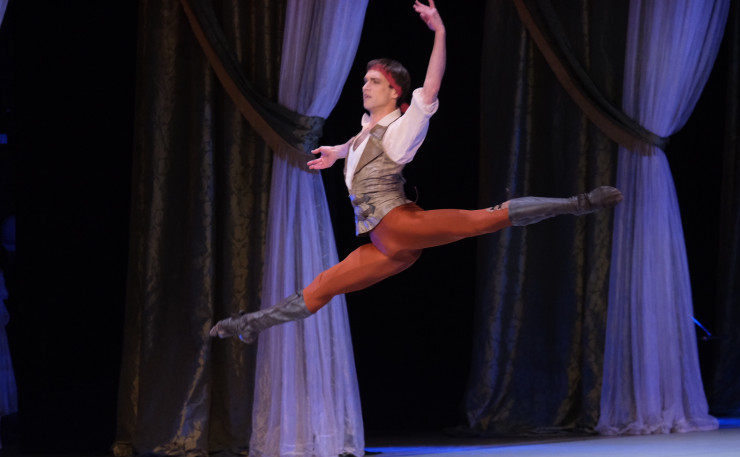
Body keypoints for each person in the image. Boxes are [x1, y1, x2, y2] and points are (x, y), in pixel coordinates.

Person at [210, 0, 622, 343]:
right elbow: (361, 144)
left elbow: (431, 87)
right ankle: (251, 324)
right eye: (365, 81)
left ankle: (579, 203)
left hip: (399, 225)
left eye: (374, 82)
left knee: (483, 220)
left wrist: (439, 32)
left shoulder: (404, 128)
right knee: (323, 286)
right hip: (385, 245)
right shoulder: (366, 128)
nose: (365, 86)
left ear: (395, 91)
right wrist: (338, 151)